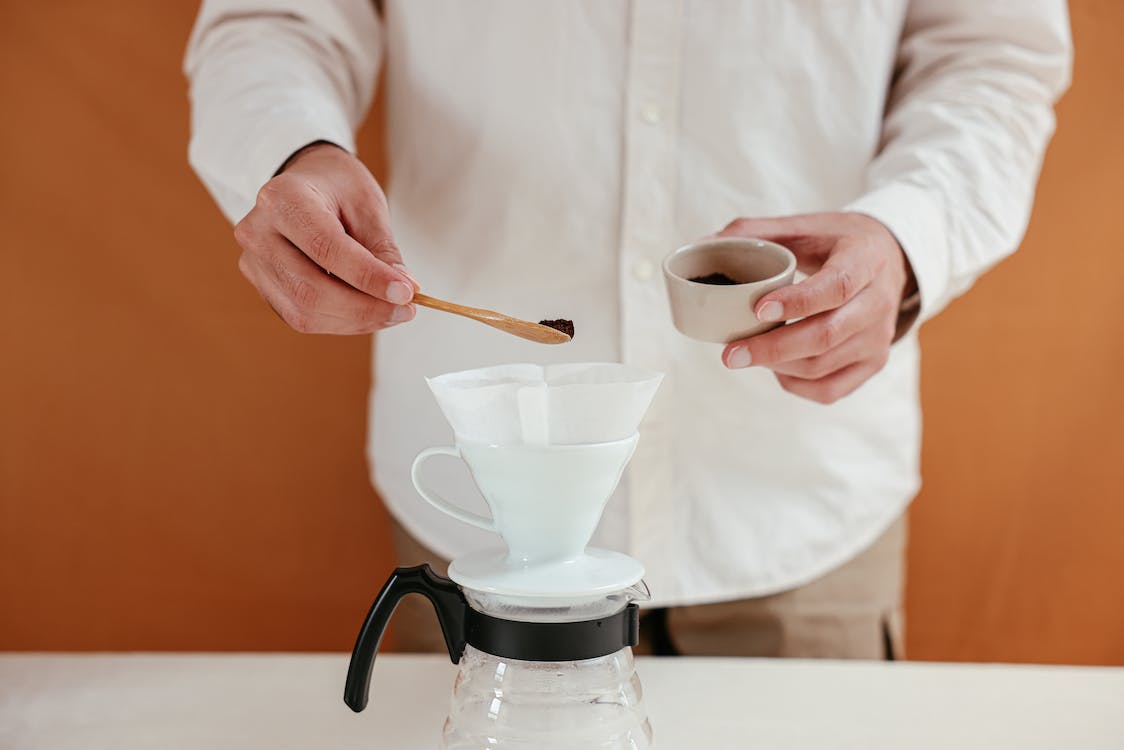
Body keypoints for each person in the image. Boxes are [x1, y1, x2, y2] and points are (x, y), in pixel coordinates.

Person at [185, 1, 1071, 658]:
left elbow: (992, 52)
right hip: (482, 499)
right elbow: (271, 18)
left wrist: (910, 236)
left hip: (798, 503)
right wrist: (290, 151)